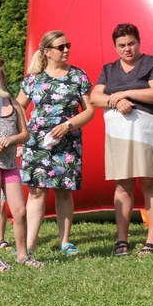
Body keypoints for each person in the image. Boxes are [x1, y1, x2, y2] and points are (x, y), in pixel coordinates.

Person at [91, 23, 153, 256]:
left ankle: (152, 240)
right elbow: (95, 98)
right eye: (122, 45)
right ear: (115, 47)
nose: (127, 49)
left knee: (150, 183)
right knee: (122, 184)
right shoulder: (109, 69)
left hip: (148, 133)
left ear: (139, 42)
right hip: (118, 134)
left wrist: (125, 93)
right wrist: (115, 101)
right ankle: (122, 240)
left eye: (131, 43)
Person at [17, 30, 94, 256]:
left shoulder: (78, 76)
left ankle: (65, 242)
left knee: (63, 192)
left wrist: (68, 125)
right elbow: (19, 106)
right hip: (36, 143)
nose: (66, 50)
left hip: (67, 143)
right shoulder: (33, 79)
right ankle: (29, 245)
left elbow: (89, 111)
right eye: (61, 47)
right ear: (47, 51)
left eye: (67, 45)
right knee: (36, 193)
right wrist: (23, 132)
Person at [0, 57, 43, 271]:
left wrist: (11, 140)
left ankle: (22, 255)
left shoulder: (13, 103)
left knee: (19, 211)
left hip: (10, 165)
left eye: (0, 74)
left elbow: (25, 134)